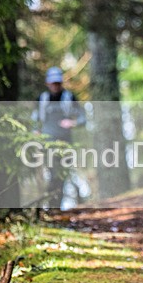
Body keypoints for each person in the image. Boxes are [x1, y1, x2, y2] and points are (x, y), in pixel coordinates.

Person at [33, 66, 86, 208]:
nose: (55, 86)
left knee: (62, 176)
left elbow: (83, 118)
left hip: (66, 143)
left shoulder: (70, 98)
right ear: (48, 83)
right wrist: (35, 131)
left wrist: (72, 122)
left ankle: (56, 207)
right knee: (52, 174)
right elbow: (34, 119)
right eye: (53, 83)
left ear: (61, 83)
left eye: (58, 83)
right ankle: (51, 206)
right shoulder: (41, 99)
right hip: (47, 145)